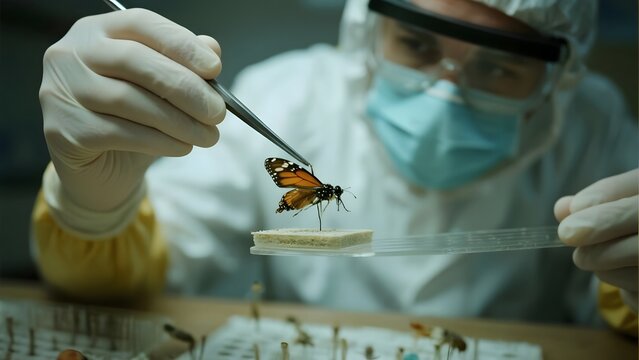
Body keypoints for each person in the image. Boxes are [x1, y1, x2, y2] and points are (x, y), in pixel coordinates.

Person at [33, 0, 637, 334]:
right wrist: (91, 205)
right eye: (417, 46)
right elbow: (124, 287)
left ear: (557, 82)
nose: (443, 96)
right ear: (368, 27)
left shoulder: (591, 124)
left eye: (499, 68)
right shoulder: (286, 95)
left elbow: (614, 304)